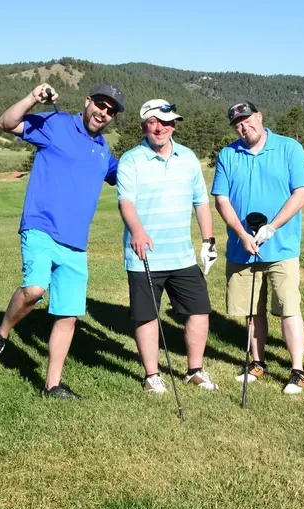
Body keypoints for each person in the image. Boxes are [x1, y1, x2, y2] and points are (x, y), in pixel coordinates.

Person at [0, 82, 125, 398]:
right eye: (100, 104)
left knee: (68, 315)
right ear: (87, 102)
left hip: (76, 243)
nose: (103, 113)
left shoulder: (103, 149)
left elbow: (123, 175)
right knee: (35, 289)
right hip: (41, 228)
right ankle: (0, 335)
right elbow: (7, 123)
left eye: (110, 111)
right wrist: (32, 97)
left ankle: (52, 385)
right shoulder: (56, 124)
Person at [117, 99, 219, 394]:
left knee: (199, 311)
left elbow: (200, 201)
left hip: (182, 255)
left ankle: (195, 370)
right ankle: (152, 375)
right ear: (143, 126)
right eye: (154, 122)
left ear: (174, 125)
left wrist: (208, 240)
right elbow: (126, 202)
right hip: (144, 254)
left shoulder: (188, 158)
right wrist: (137, 230)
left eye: (167, 122)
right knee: (147, 315)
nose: (160, 128)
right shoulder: (131, 160)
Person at [212, 101, 304, 394]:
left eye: (247, 120)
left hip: (281, 246)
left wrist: (272, 227)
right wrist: (243, 234)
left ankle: (297, 370)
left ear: (260, 116)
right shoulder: (228, 154)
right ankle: (258, 363)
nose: (244, 127)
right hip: (242, 248)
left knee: (288, 308)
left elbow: (302, 192)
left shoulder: (288, 148)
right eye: (238, 124)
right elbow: (222, 200)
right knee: (252, 312)